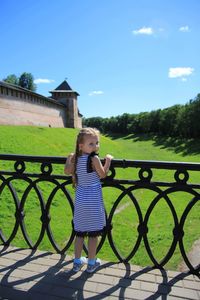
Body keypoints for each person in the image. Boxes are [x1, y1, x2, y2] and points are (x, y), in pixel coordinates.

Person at [64, 127, 113, 273]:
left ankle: (77, 262)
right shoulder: (94, 158)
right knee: (93, 234)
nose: (95, 146)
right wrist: (108, 161)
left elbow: (67, 171)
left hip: (80, 199)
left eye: (97, 143)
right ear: (81, 145)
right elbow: (103, 174)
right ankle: (91, 263)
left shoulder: (77, 158)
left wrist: (69, 158)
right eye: (91, 144)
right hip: (93, 200)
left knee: (79, 233)